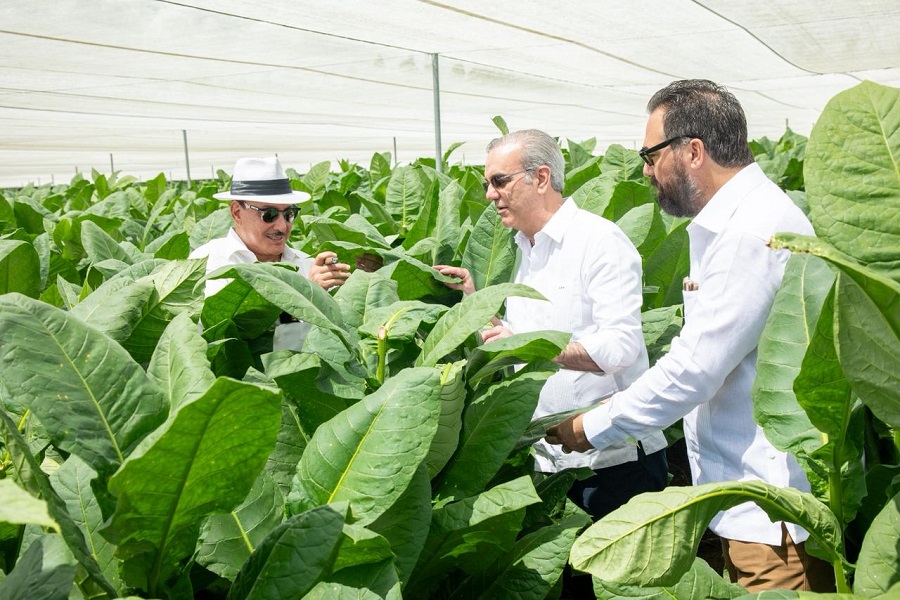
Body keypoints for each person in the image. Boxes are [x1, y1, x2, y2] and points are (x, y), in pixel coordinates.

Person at [545, 80, 834, 592]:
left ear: (693, 151)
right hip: (742, 501)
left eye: (651, 155)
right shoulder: (736, 222)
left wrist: (588, 428)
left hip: (769, 517)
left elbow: (693, 371)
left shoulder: (748, 233)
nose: (645, 171)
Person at [435, 129, 669, 523]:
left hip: (612, 462)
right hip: (551, 462)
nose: (490, 194)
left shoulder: (598, 241)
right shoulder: (525, 248)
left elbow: (619, 348)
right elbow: (524, 336)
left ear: (541, 178)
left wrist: (529, 344)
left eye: (499, 181)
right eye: (486, 183)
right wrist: (478, 307)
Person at [190, 156, 351, 350]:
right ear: (237, 212)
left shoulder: (306, 265)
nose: (282, 226)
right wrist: (305, 296)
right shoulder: (208, 263)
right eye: (269, 215)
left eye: (289, 214)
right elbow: (227, 338)